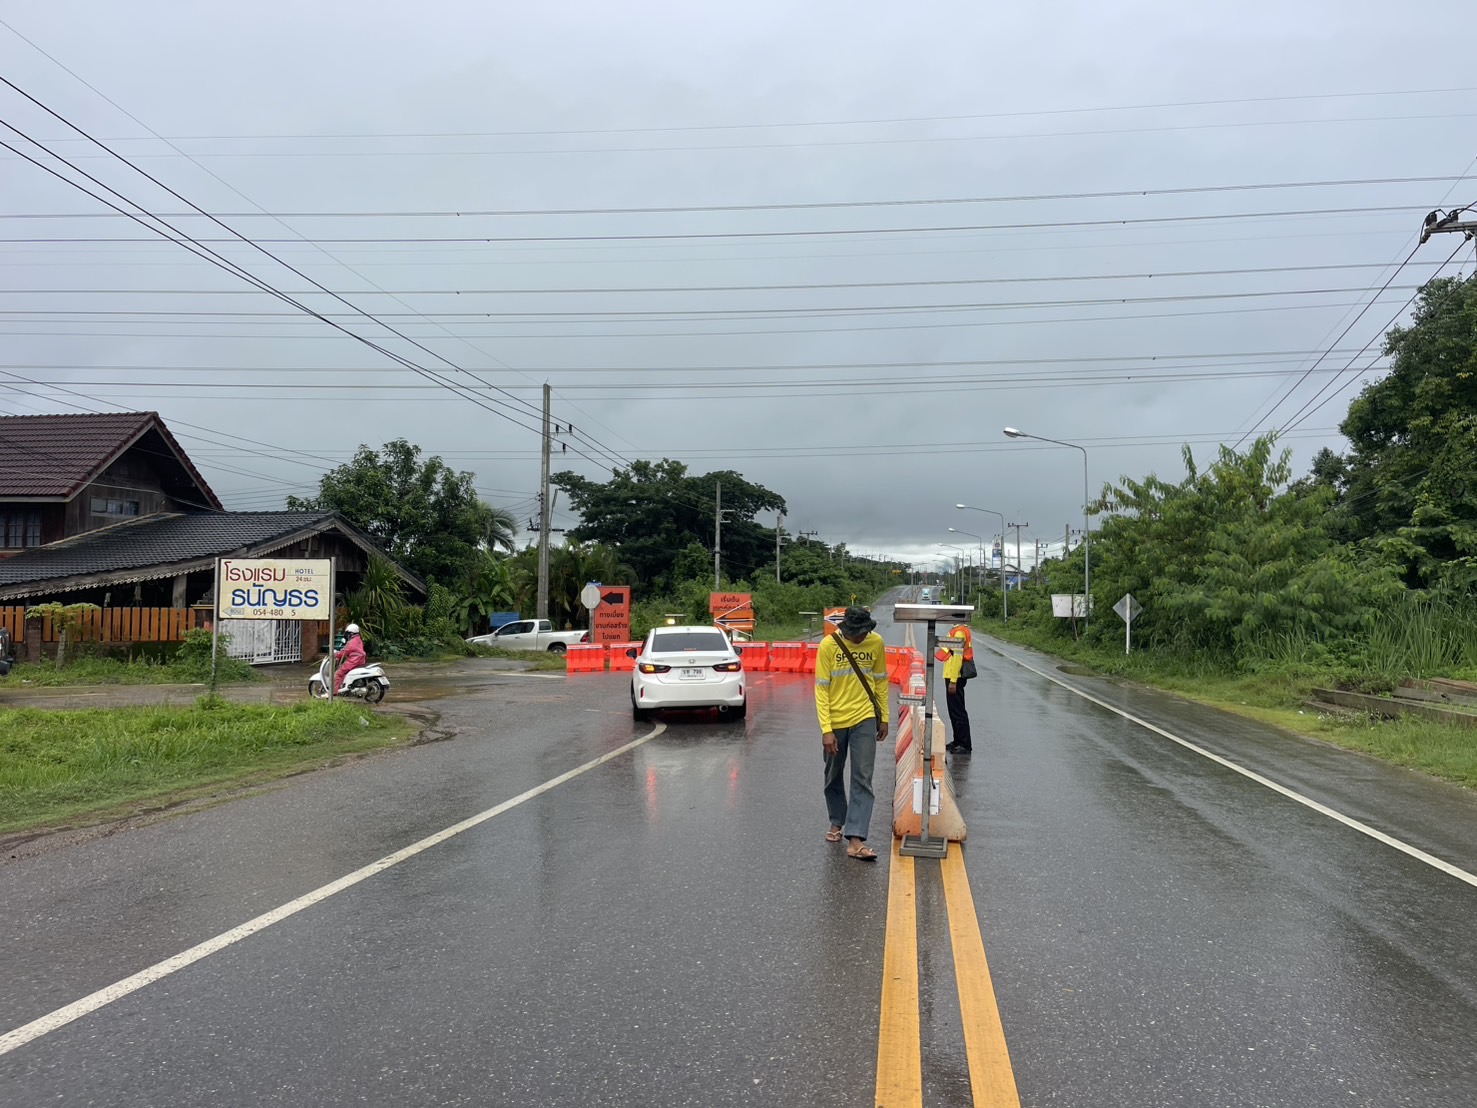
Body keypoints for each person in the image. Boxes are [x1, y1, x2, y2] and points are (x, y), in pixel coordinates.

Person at [816, 606, 890, 861]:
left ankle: (856, 838)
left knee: (863, 776)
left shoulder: (876, 643)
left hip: (864, 718)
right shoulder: (828, 646)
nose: (860, 636)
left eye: (864, 632)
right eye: (856, 632)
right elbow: (821, 689)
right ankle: (837, 820)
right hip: (835, 720)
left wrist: (884, 717)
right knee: (833, 774)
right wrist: (826, 729)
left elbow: (880, 680)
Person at [940, 625, 973, 754]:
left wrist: (953, 681)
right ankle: (957, 741)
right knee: (953, 711)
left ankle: (964, 744)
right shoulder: (956, 630)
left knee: (958, 711)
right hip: (952, 676)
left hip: (955, 677)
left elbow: (958, 657)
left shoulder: (959, 632)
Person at [333, 623, 366, 695]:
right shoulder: (359, 639)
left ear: (351, 633)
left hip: (353, 661)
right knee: (346, 673)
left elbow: (344, 652)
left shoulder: (351, 642)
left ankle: (333, 692)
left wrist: (335, 654)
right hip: (360, 660)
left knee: (338, 674)